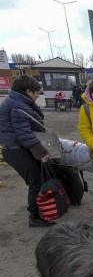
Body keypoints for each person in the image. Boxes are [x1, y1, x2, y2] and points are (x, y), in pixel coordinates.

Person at [0, 75, 55, 227]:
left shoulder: (16, 101)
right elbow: (23, 133)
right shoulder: (18, 105)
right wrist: (41, 153)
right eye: (37, 92)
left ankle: (41, 210)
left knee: (39, 180)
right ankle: (35, 217)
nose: (38, 95)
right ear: (28, 91)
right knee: (36, 182)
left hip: (18, 148)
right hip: (16, 150)